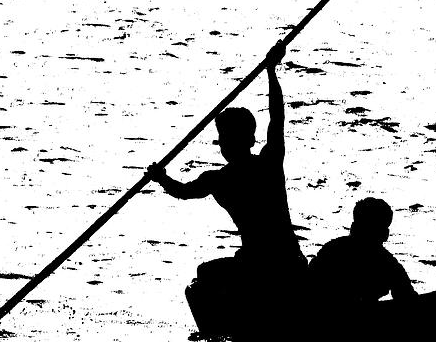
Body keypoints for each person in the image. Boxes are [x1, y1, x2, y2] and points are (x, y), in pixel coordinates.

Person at [147, 41, 306, 303]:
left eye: (224, 138)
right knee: (209, 274)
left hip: (269, 267)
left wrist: (160, 177)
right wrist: (270, 71)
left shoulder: (223, 178)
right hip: (287, 262)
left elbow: (181, 191)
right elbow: (277, 117)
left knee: (203, 278)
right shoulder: (268, 163)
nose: (222, 143)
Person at [308, 197, 417, 305]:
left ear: (353, 227)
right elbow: (408, 299)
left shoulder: (331, 249)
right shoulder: (388, 264)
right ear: (385, 234)